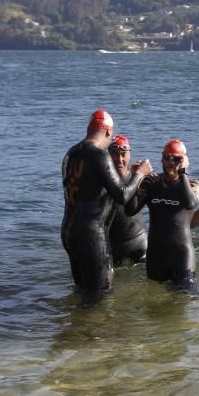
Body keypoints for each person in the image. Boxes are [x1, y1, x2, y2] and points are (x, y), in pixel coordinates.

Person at [61, 109, 149, 294]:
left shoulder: (71, 153)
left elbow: (87, 189)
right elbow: (123, 195)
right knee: (101, 295)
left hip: (69, 232)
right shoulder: (99, 155)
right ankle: (97, 323)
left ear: (89, 128)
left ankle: (76, 323)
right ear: (108, 132)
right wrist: (140, 174)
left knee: (81, 290)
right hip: (91, 235)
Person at [125, 138, 199, 292]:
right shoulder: (151, 183)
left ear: (184, 161)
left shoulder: (192, 183)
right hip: (155, 255)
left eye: (176, 159)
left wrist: (183, 173)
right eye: (167, 157)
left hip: (181, 255)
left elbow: (190, 203)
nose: (171, 162)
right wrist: (136, 177)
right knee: (154, 307)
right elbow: (130, 210)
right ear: (161, 159)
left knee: (183, 300)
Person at [107, 134, 150, 265]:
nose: (119, 159)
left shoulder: (139, 179)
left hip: (139, 245)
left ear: (129, 155)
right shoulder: (102, 182)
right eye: (114, 154)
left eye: (123, 154)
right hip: (112, 249)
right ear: (107, 156)